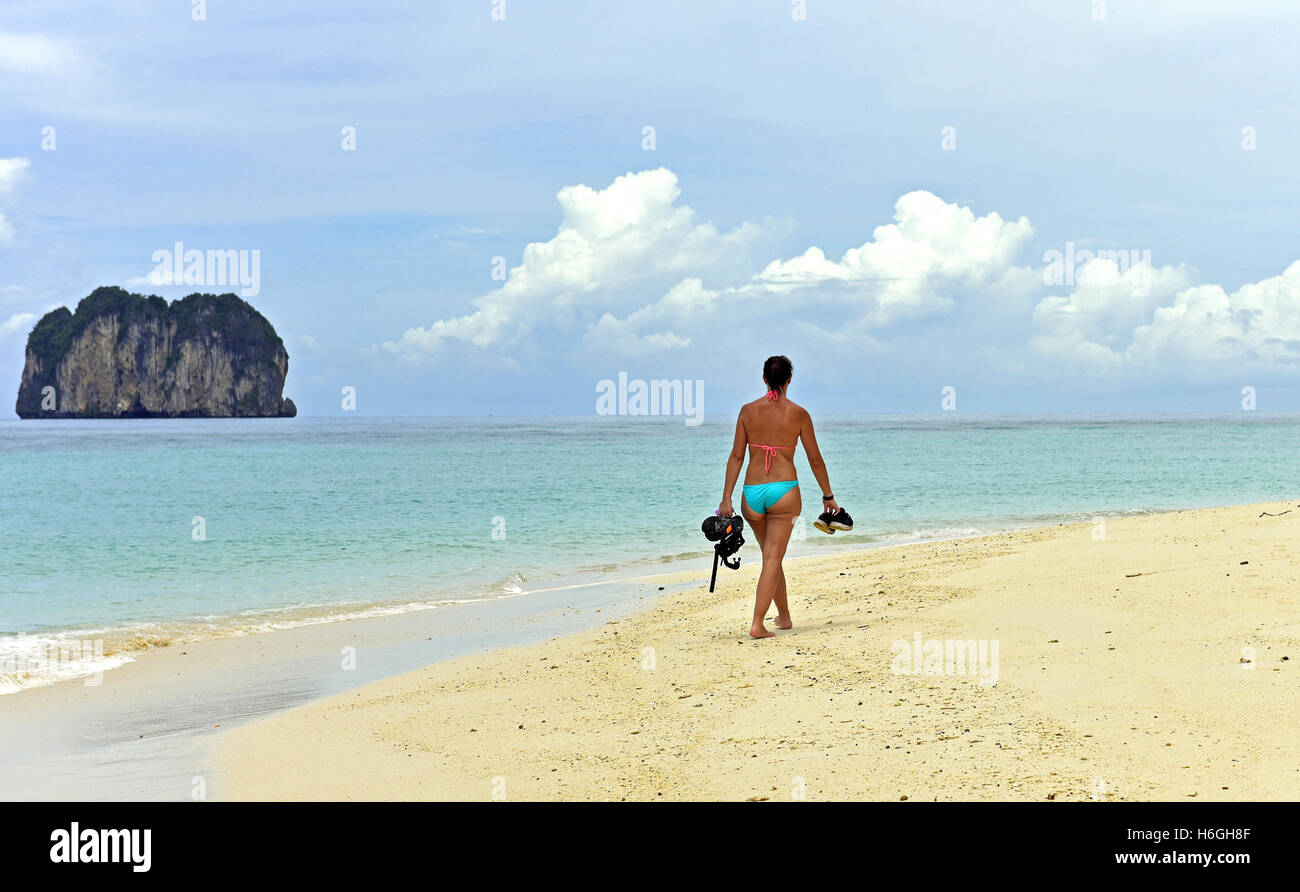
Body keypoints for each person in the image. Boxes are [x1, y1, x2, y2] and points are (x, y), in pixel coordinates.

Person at [718, 355, 849, 638]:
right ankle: (757, 624)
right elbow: (815, 459)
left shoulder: (747, 411)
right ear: (789, 379)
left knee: (770, 556)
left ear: (764, 379)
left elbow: (737, 456)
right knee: (773, 557)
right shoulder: (799, 414)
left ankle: (784, 617)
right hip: (784, 492)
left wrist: (726, 497)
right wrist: (828, 496)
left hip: (751, 494)